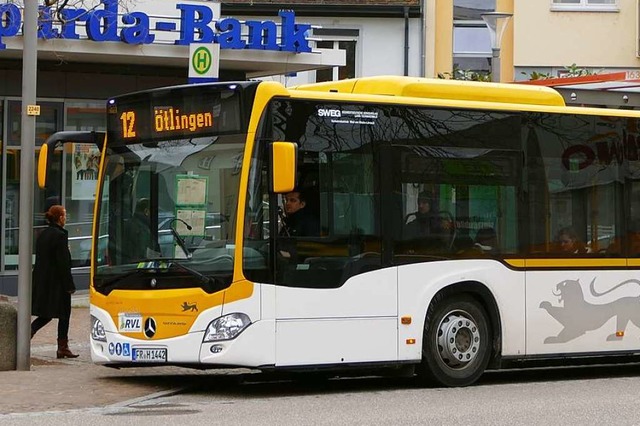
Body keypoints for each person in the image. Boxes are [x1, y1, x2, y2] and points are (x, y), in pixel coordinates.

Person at [30, 205, 79, 359]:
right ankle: (62, 347)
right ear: (60, 218)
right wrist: (69, 285)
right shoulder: (59, 236)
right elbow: (63, 263)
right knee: (63, 314)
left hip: (44, 281)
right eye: (64, 215)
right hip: (57, 283)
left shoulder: (43, 234)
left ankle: (29, 334)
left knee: (47, 313)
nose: (65, 218)